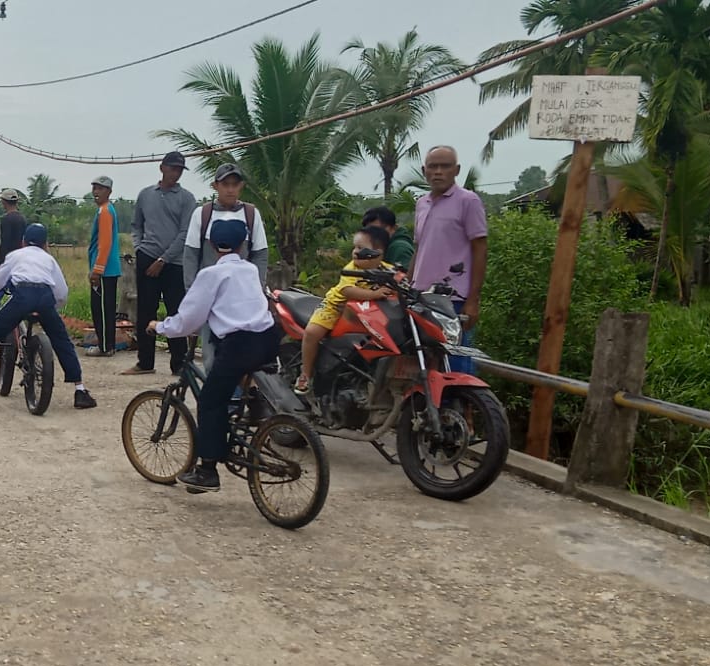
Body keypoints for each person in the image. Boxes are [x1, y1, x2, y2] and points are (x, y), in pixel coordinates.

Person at [148, 218, 282, 492]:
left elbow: (188, 319)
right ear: (243, 245)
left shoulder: (211, 274)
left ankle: (207, 470)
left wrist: (160, 327)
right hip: (268, 338)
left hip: (239, 344)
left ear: (210, 244)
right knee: (239, 376)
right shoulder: (250, 271)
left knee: (210, 400)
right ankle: (258, 411)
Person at [0, 223, 97, 410]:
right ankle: (80, 391)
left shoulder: (15, 255)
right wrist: (54, 307)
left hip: (23, 297)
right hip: (45, 298)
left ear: (23, 242)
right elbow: (61, 290)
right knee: (62, 340)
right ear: (46, 244)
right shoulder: (49, 260)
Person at [182, 162, 271, 369]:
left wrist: (256, 290)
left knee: (241, 357)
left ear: (241, 187)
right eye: (225, 184)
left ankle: (234, 399)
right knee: (212, 357)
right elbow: (190, 257)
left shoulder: (251, 214)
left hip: (241, 300)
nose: (230, 189)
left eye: (234, 184)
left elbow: (260, 255)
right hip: (211, 299)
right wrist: (192, 296)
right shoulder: (202, 214)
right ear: (216, 186)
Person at [412, 145, 487, 374]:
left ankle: (462, 410)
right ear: (425, 170)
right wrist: (406, 284)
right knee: (423, 363)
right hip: (421, 298)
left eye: (445, 166)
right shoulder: (421, 203)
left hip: (453, 300)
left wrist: (473, 300)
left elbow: (480, 248)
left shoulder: (468, 201)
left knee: (456, 366)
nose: (438, 172)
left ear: (457, 170)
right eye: (433, 167)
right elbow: (420, 248)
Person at [296, 227, 396, 394]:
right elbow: (348, 291)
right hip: (335, 306)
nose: (355, 252)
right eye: (354, 247)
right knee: (312, 332)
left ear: (377, 252)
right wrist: (374, 294)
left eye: (360, 248)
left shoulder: (387, 269)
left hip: (363, 312)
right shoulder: (352, 269)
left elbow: (400, 280)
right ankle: (305, 373)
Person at [125, 150, 196, 376]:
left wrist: (163, 259)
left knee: (176, 311)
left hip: (174, 262)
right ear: (162, 168)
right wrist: (139, 247)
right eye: (173, 168)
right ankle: (145, 362)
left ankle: (179, 363)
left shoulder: (187, 198)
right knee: (146, 309)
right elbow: (137, 225)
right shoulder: (146, 195)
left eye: (179, 170)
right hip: (147, 256)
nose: (176, 173)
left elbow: (186, 232)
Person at [87, 175, 122, 357]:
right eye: (94, 188)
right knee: (106, 307)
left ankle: (105, 346)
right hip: (108, 269)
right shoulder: (105, 210)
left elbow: (105, 242)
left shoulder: (105, 211)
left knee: (101, 309)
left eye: (100, 189)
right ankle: (108, 345)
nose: (96, 192)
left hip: (105, 270)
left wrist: (97, 270)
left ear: (109, 191)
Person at [0, 188, 29, 320]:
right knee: (16, 292)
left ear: (4, 202)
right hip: (21, 261)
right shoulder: (22, 219)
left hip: (8, 262)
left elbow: (5, 244)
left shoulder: (6, 220)